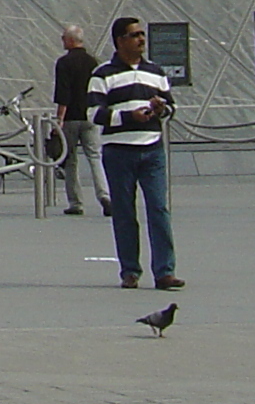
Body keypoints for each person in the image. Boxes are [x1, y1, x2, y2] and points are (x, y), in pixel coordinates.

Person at [92, 17, 182, 291]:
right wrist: (128, 116)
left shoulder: (156, 72)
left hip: (152, 149)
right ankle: (130, 270)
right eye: (135, 35)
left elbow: (172, 107)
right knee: (124, 213)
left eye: (142, 34)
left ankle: (164, 272)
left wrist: (160, 109)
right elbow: (93, 113)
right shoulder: (102, 74)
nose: (142, 40)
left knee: (159, 209)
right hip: (119, 152)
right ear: (120, 41)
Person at [52, 25, 107, 216]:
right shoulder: (94, 62)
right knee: (95, 157)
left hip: (71, 118)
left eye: (63, 38)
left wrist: (59, 118)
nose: (62, 40)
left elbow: (63, 93)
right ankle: (105, 196)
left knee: (70, 160)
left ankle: (76, 202)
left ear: (70, 40)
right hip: (91, 116)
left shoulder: (64, 63)